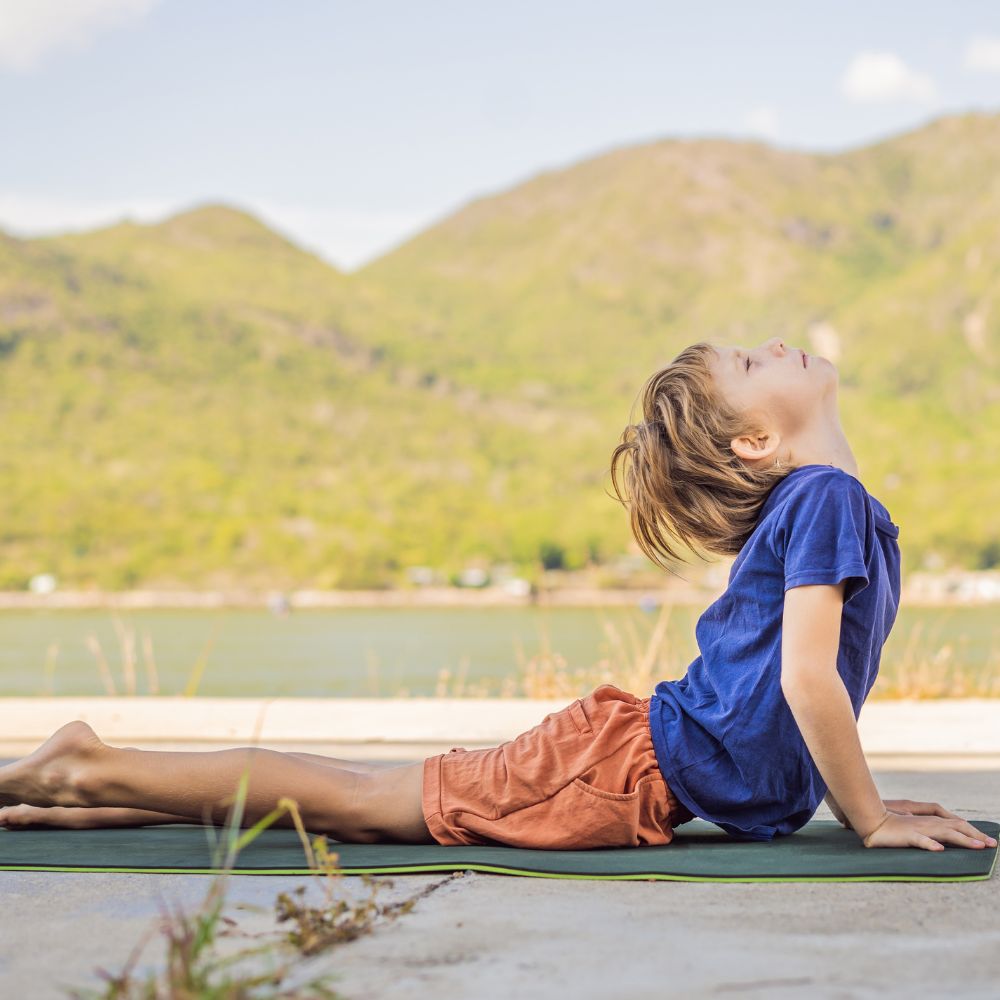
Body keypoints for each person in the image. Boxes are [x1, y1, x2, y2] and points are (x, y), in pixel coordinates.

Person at [0, 338, 993, 854]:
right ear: (755, 443)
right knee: (362, 802)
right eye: (750, 360)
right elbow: (808, 679)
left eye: (751, 354)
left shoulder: (826, 501)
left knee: (366, 805)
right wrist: (863, 817)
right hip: (619, 765)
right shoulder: (826, 498)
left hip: (625, 757)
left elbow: (788, 694)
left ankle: (90, 797)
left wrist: (847, 791)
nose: (777, 343)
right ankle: (88, 763)